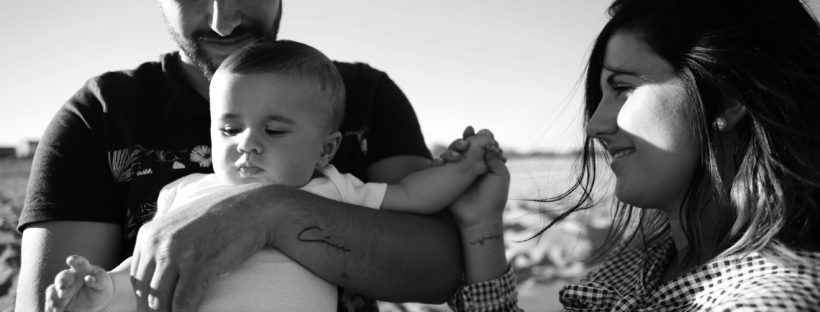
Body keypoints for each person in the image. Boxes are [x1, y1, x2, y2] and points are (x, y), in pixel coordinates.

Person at [16, 1, 466, 311]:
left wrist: (268, 212)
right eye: (229, 130)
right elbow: (134, 276)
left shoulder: (363, 98)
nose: (223, 21)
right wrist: (101, 291)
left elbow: (442, 265)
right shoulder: (98, 116)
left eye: (275, 130)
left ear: (326, 146)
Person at [444, 0, 820, 310]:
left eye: (623, 89)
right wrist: (482, 226)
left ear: (726, 97)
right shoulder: (655, 260)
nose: (594, 125)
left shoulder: (768, 301)